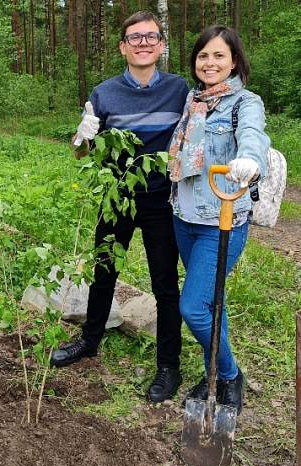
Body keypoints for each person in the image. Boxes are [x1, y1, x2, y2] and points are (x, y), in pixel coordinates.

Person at [50, 11, 189, 404]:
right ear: (122, 47)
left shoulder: (181, 90)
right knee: (104, 271)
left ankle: (169, 365)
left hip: (163, 200)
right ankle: (90, 340)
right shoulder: (104, 93)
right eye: (135, 37)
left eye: (151, 37)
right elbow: (80, 153)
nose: (143, 43)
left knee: (165, 284)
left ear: (162, 45)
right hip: (117, 199)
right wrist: (83, 136)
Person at [168, 26, 270, 414]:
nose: (209, 63)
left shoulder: (246, 102)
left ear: (234, 61)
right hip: (184, 217)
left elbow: (253, 136)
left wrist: (250, 160)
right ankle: (215, 366)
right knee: (211, 302)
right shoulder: (192, 101)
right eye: (203, 56)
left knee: (193, 306)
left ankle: (228, 375)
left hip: (222, 221)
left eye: (218, 56)